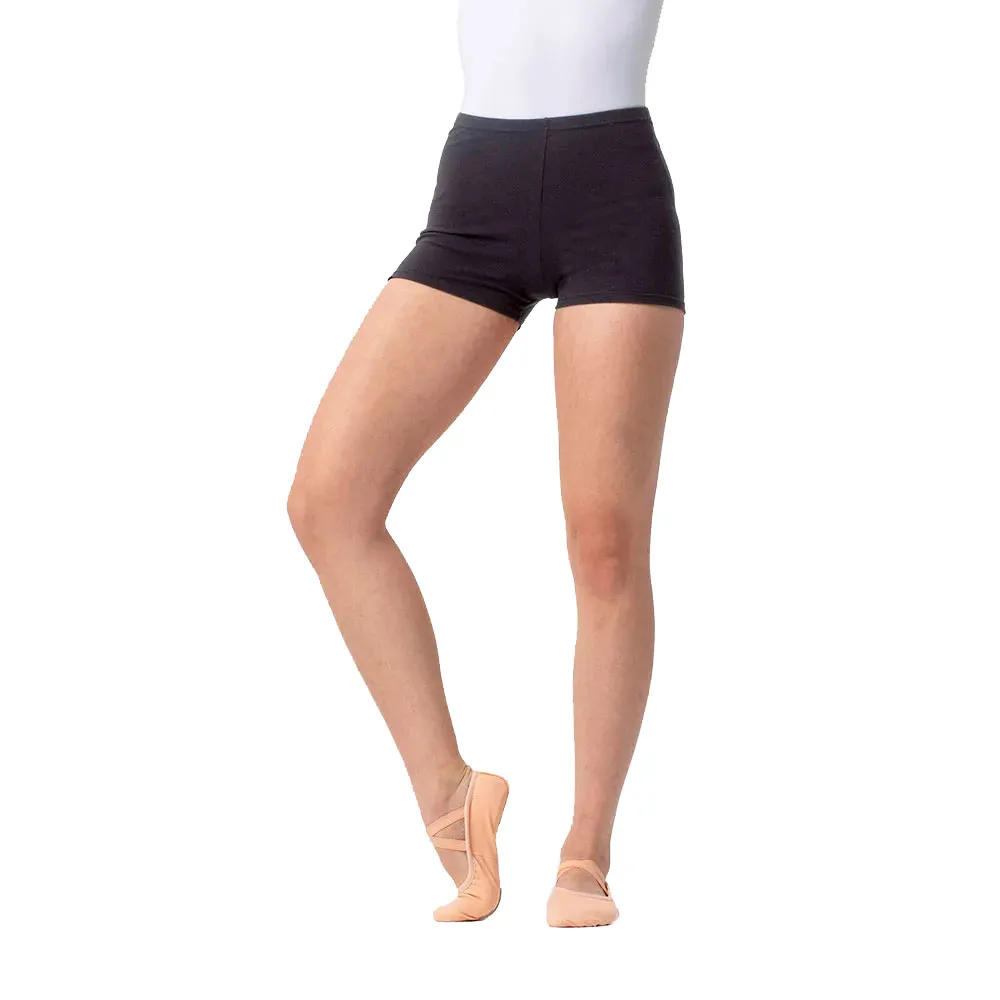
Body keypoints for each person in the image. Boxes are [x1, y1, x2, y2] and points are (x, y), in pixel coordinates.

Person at [287, 0, 684, 927]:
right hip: (476, 198)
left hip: (614, 195)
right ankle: (452, 796)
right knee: (329, 502)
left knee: (605, 542)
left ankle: (586, 853)